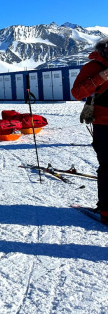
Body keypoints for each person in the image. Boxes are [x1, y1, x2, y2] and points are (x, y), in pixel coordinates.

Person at [71, 38, 108, 223]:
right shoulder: (94, 66)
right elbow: (77, 92)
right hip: (104, 124)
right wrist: (99, 78)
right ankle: (107, 211)